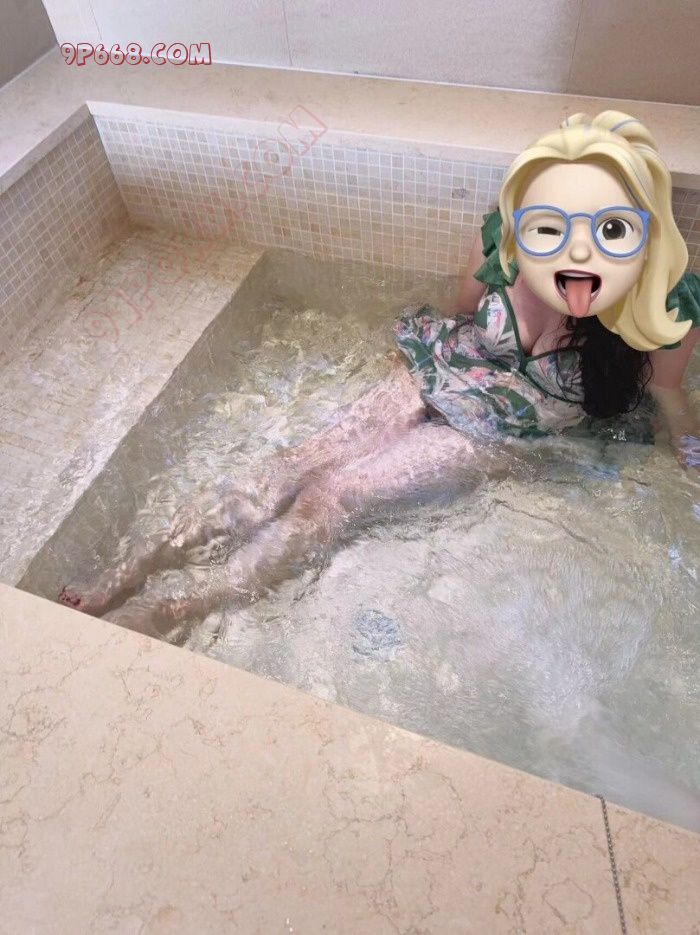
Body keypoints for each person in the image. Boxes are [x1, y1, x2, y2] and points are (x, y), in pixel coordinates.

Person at [58, 109, 700, 637]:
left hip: (501, 429)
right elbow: (458, 316)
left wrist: (690, 463)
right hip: (442, 370)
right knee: (297, 463)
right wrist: (404, 374)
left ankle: (182, 608)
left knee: (338, 494)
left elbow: (669, 398)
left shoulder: (663, 306)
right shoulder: (505, 242)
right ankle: (131, 570)